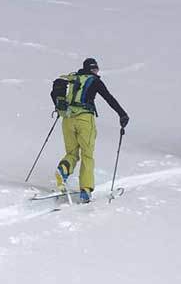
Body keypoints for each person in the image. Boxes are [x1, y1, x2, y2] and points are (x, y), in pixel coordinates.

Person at [50, 57, 129, 203]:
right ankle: (85, 191)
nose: (97, 72)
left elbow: (56, 93)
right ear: (93, 69)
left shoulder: (72, 78)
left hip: (67, 119)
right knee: (87, 155)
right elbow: (109, 98)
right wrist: (122, 114)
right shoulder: (94, 81)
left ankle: (63, 170)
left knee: (71, 153)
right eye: (96, 69)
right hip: (85, 119)